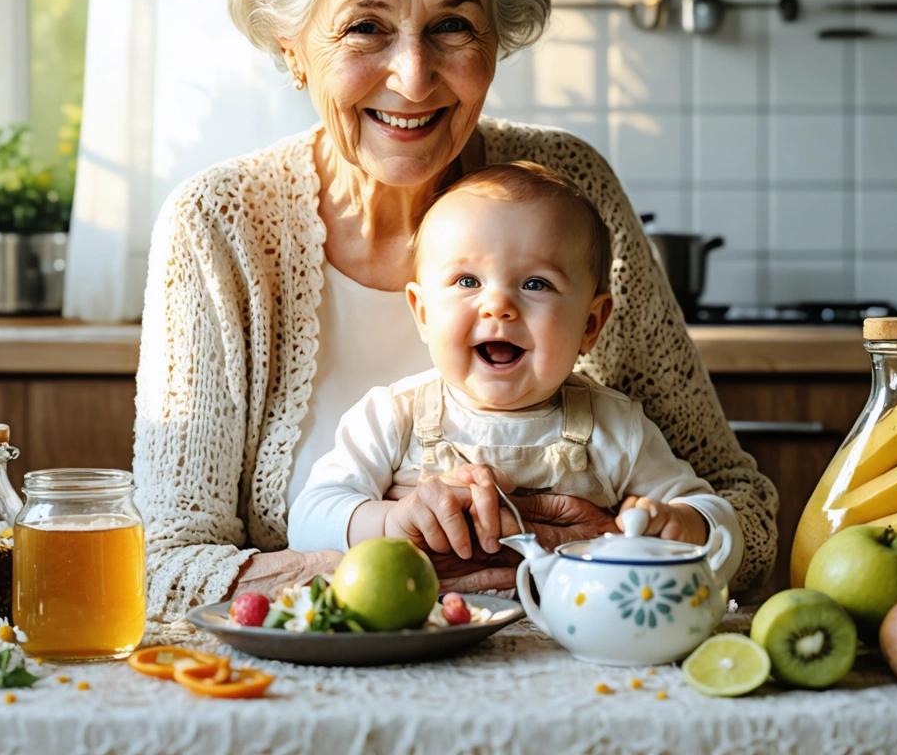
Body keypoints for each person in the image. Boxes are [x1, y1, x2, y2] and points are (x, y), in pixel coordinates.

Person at [132, 0, 776, 623]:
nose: (413, 75)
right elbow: (162, 564)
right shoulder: (218, 228)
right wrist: (387, 570)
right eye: (365, 26)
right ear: (292, 45)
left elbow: (738, 507)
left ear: (498, 38)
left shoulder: (568, 187)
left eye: (452, 26)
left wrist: (628, 547)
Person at [288, 162, 743, 579]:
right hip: (430, 643)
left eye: (535, 284)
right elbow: (308, 522)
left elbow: (718, 519)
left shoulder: (616, 428)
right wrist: (391, 520)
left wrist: (684, 524)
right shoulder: (391, 418)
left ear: (590, 324)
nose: (499, 306)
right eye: (467, 281)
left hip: (565, 652)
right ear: (423, 314)